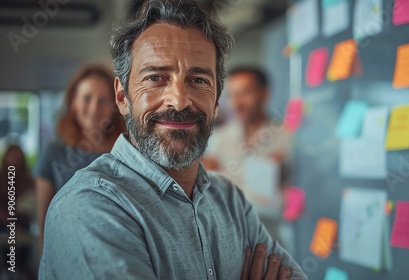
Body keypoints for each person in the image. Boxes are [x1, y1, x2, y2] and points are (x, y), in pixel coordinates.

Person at [39, 1, 307, 279]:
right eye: (156, 78)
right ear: (122, 97)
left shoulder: (229, 200)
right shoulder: (91, 205)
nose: (178, 101)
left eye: (199, 80)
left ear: (216, 101)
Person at [34, 64, 125, 256]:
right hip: (65, 255)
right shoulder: (53, 153)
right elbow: (44, 226)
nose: (94, 108)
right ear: (73, 101)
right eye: (87, 98)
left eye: (102, 100)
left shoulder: (126, 152)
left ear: (114, 106)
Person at [203, 66, 292, 242]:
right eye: (232, 95)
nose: (237, 102)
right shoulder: (218, 139)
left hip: (273, 234)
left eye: (245, 93)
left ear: (264, 94)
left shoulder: (286, 136)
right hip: (229, 234)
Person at [0, 145, 36, 280]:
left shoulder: (28, 180)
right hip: (4, 226)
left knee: (22, 260)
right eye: (12, 156)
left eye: (18, 157)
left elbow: (33, 205)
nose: (15, 160)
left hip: (23, 226)